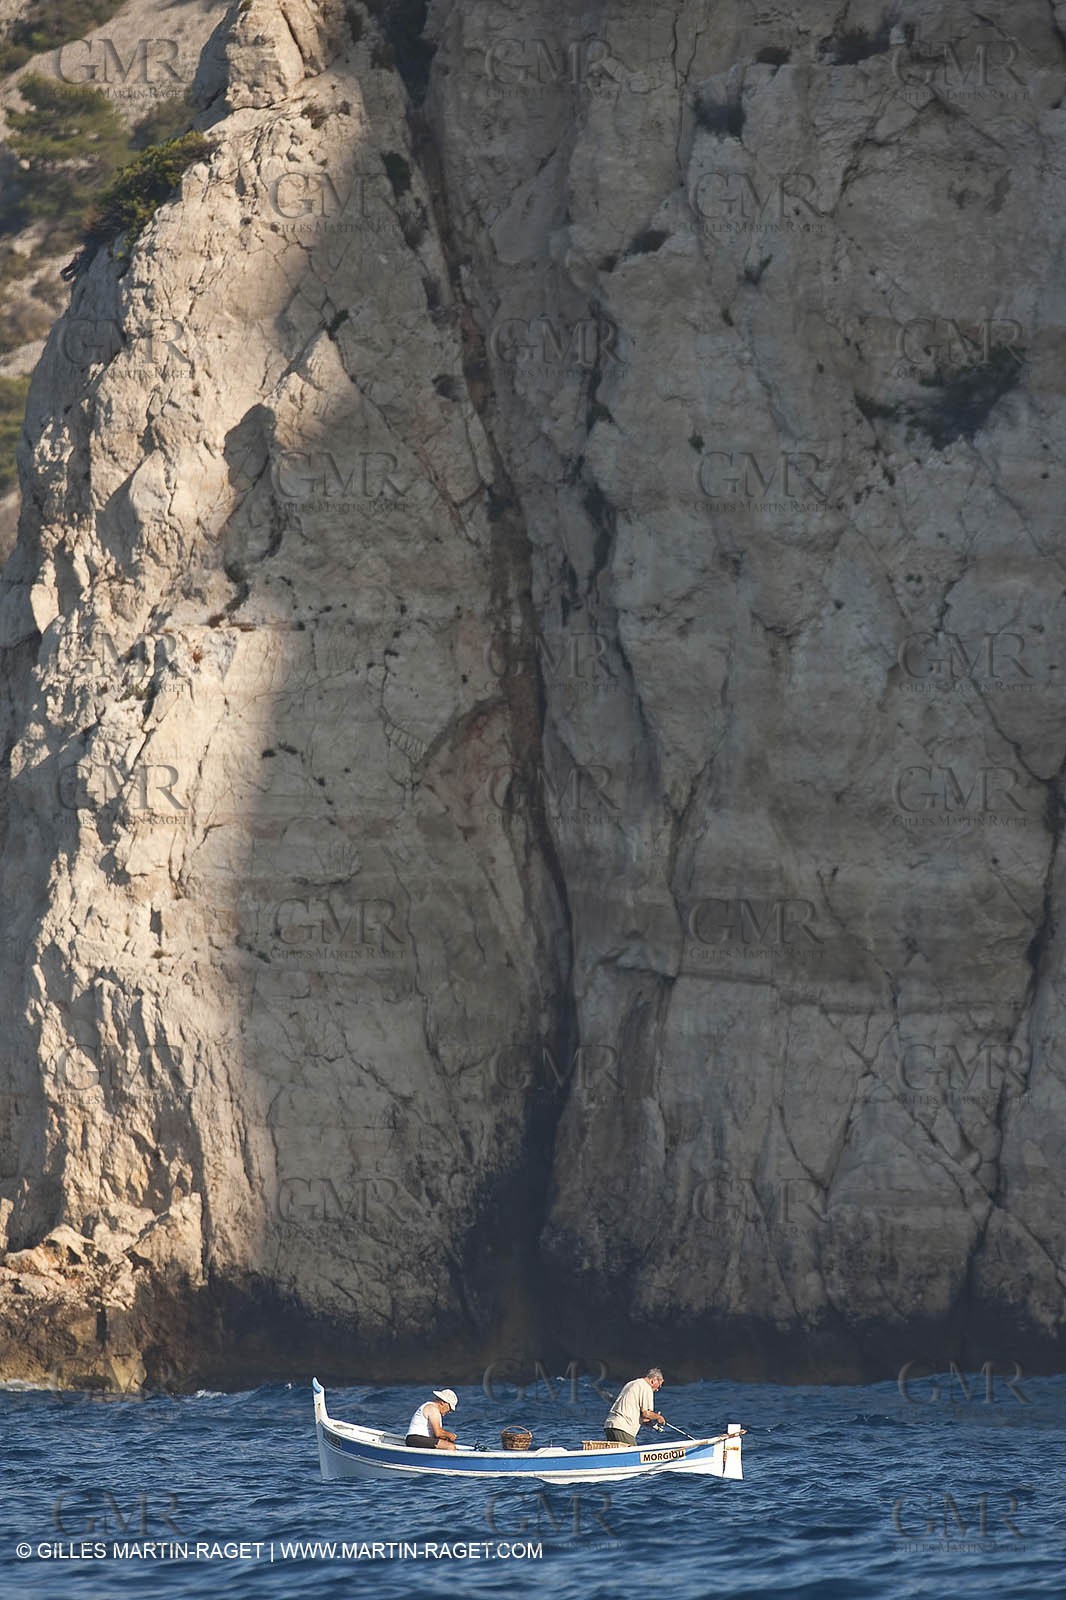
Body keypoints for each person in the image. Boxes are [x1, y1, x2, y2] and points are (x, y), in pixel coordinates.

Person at [603, 1367, 666, 1444]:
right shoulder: (646, 1387)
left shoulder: (632, 1383)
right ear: (653, 1380)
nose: (657, 1389)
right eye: (659, 1386)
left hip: (610, 1426)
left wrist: (651, 1422)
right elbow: (646, 1413)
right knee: (631, 1450)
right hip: (623, 1428)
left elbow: (643, 1418)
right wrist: (659, 1417)